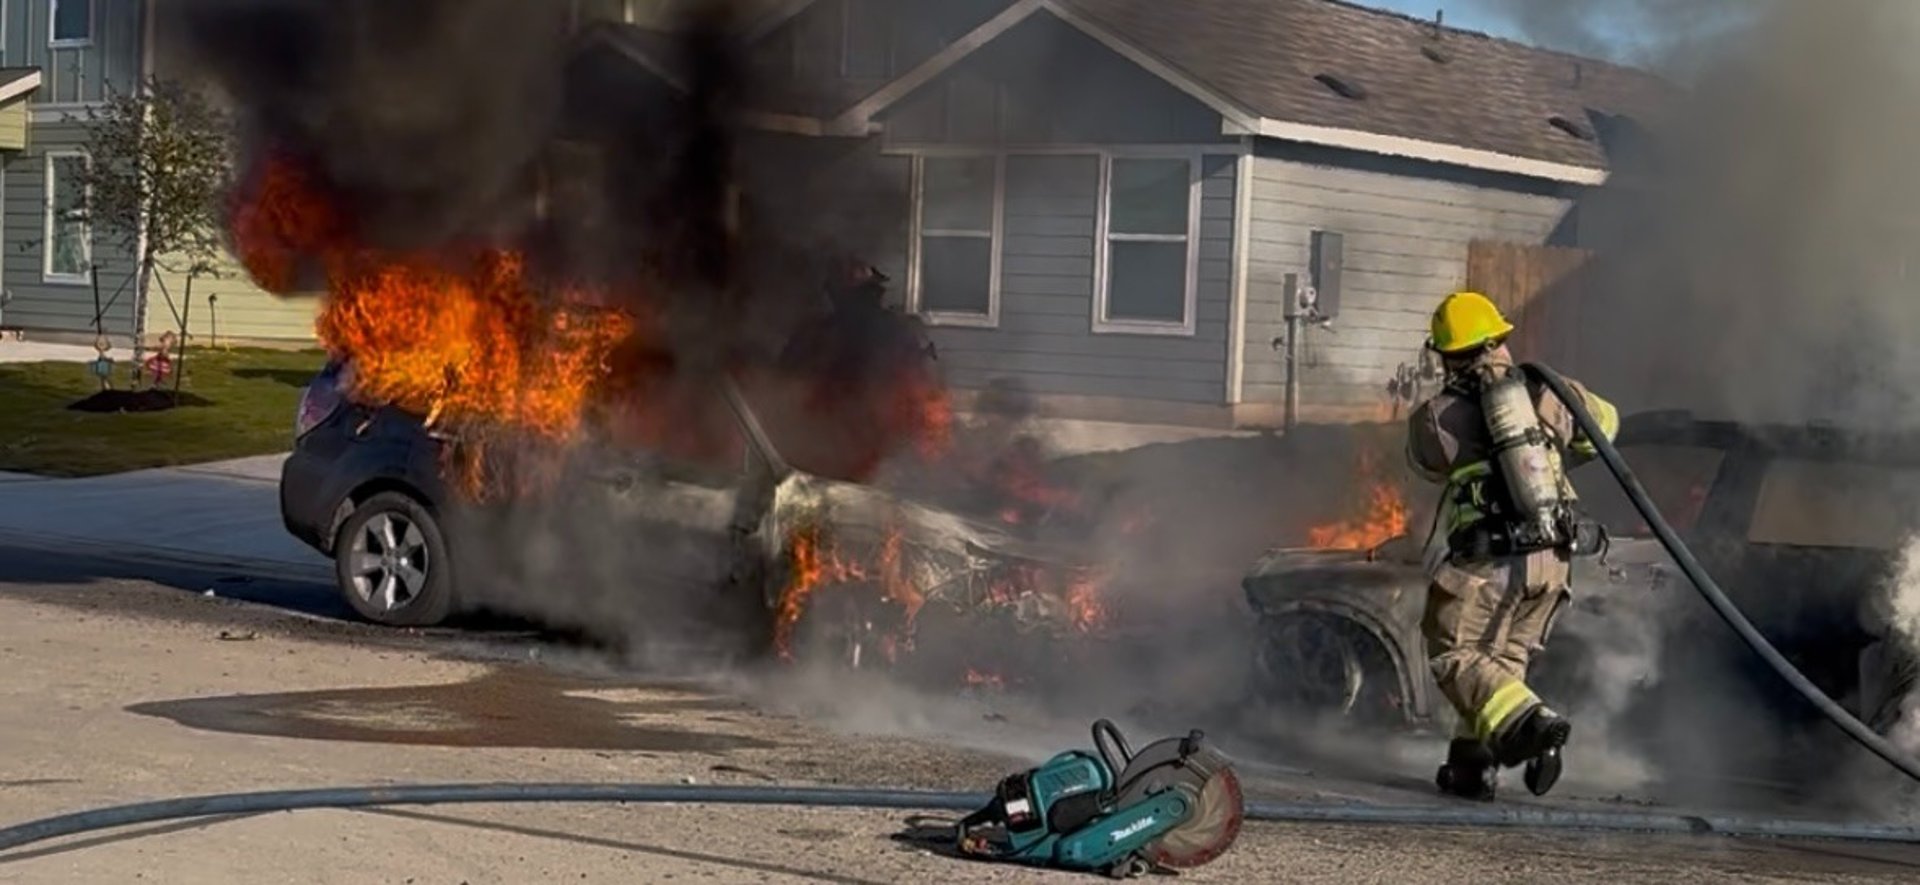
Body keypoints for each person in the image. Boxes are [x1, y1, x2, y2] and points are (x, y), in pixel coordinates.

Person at [1405, 291, 1620, 800]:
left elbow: (1425, 463)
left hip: (1490, 558)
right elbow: (1605, 429)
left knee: (1454, 652)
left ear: (1447, 355)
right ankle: (1471, 770)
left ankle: (1534, 726)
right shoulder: (1550, 390)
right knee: (1500, 660)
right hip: (1553, 560)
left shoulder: (1438, 415)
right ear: (1501, 339)